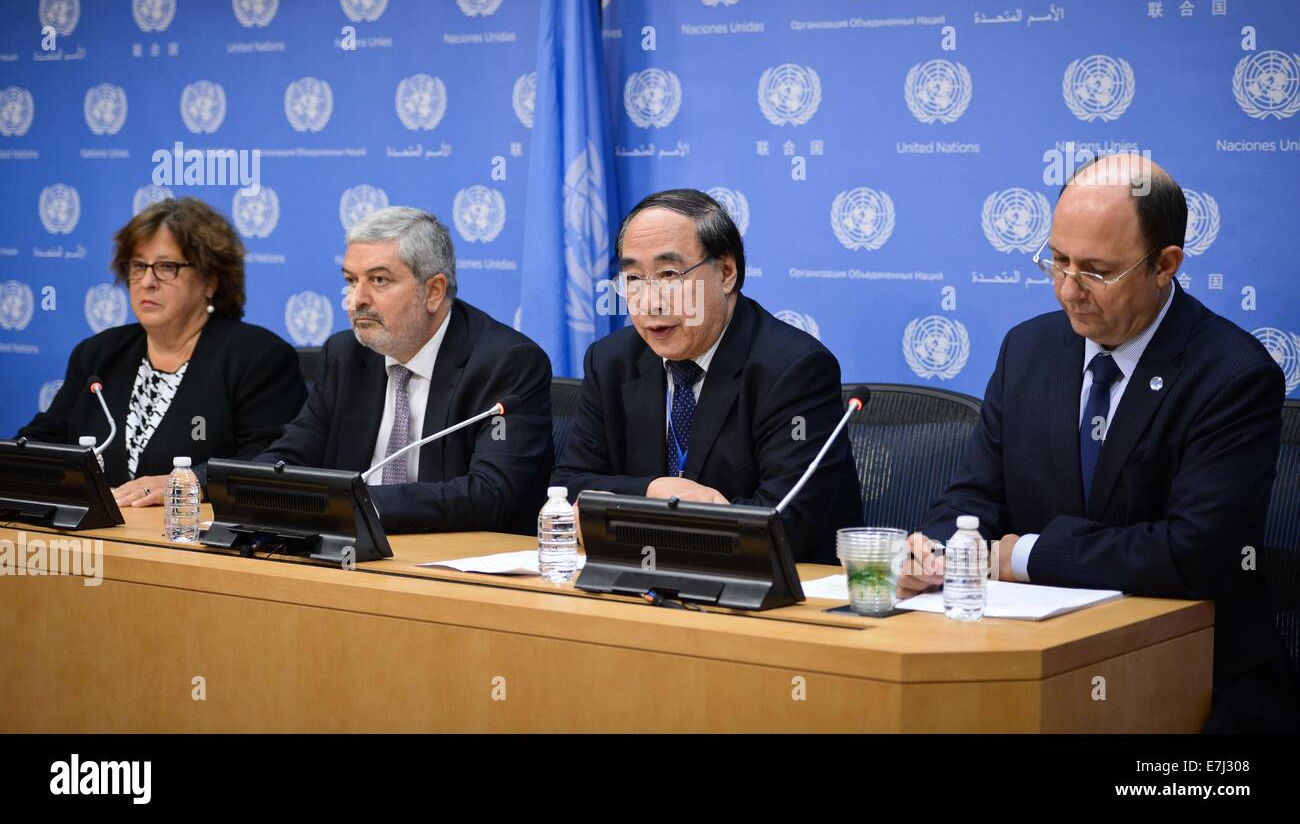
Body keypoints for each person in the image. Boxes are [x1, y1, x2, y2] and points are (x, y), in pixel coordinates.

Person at [898, 154, 1300, 733]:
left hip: (1195, 676)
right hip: (1034, 659)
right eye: (1057, 261)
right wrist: (938, 549)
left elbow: (1196, 552)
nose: (1068, 290)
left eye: (1096, 270)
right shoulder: (1028, 351)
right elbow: (973, 498)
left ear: (1165, 265)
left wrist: (1027, 556)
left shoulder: (1231, 374)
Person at [551, 189, 861, 563]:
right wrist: (654, 491)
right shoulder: (611, 361)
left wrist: (631, 518)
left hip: (773, 597)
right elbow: (566, 489)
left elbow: (786, 521)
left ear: (726, 272)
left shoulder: (793, 369)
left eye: (668, 274)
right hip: (643, 580)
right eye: (633, 278)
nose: (650, 302)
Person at [254, 206, 553, 534]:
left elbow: (490, 495)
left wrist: (356, 503)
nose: (356, 301)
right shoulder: (344, 355)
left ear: (434, 291)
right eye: (351, 281)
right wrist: (254, 487)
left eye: (379, 280)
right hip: (350, 555)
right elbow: (292, 454)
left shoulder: (506, 363)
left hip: (454, 564)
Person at [17, 196, 306, 506]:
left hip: (193, 541)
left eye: (167, 267)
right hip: (99, 535)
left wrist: (193, 481)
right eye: (138, 266)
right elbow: (43, 441)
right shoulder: (98, 354)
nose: (147, 282)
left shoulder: (258, 358)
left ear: (211, 280)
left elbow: (272, 463)